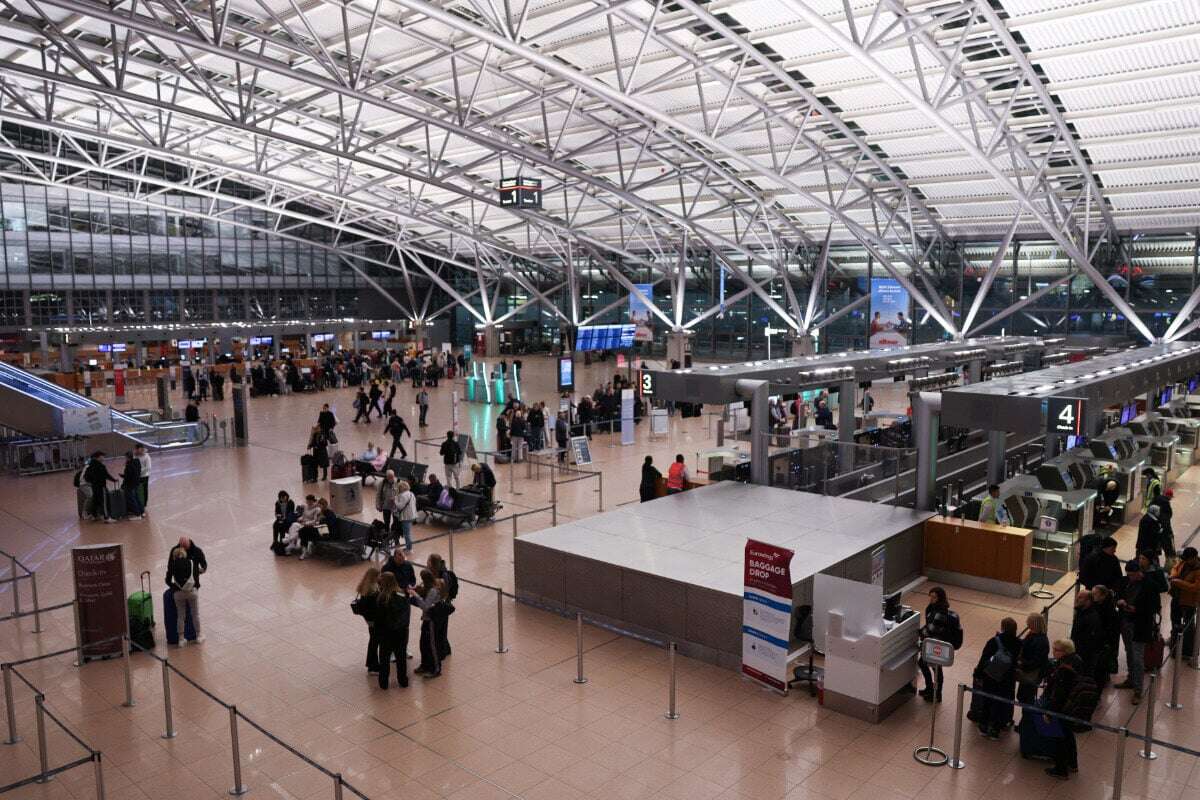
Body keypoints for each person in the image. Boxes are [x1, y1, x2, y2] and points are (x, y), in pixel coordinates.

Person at [1116, 557, 1161, 703]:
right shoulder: (1126, 581)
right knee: (1129, 652)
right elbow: (1118, 594)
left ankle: (1138, 690)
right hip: (1125, 622)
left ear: (1139, 572)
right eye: (1128, 575)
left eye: (1132, 575)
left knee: (1137, 658)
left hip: (1140, 626)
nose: (1130, 577)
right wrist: (1120, 601)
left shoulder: (1150, 586)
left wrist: (1133, 608)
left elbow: (1154, 607)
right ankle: (1131, 679)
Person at [972, 617, 1020, 738]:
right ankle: (996, 729)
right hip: (1007, 678)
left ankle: (984, 726)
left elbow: (984, 659)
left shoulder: (994, 641)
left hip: (991, 677)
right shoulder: (1018, 643)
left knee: (987, 701)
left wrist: (978, 674)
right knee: (1001, 702)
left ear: (1003, 627)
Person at [1041, 640, 1082, 779]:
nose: (1053, 651)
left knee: (1059, 737)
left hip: (1063, 709)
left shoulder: (1064, 669)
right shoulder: (1077, 660)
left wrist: (1049, 712)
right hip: (1073, 706)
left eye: (1056, 649)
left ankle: (1060, 769)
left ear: (1065, 652)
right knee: (1069, 735)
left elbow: (1059, 695)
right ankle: (1072, 763)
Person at [918, 586, 960, 702]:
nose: (931, 599)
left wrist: (920, 633)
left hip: (936, 643)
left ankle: (936, 693)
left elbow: (933, 628)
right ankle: (931, 689)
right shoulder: (933, 607)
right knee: (926, 664)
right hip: (931, 641)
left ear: (940, 598)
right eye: (930, 597)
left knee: (935, 667)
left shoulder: (941, 611)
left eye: (934, 597)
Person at [374, 573, 410, 689]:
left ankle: (384, 682)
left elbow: (379, 618)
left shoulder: (382, 598)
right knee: (401, 657)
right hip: (401, 631)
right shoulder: (402, 593)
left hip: (386, 633)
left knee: (384, 658)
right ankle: (403, 680)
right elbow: (406, 611)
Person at [165, 546, 204, 645]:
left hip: (179, 593)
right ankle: (199, 636)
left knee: (181, 616)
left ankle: (181, 639)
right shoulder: (190, 562)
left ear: (175, 556)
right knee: (195, 614)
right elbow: (196, 576)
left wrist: (174, 587)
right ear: (184, 554)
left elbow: (168, 580)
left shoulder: (172, 565)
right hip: (191, 592)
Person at [1169, 547, 1200, 666]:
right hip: (1177, 597)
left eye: (1188, 560)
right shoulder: (1184, 562)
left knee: (1188, 626)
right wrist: (1174, 575)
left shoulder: (1198, 570)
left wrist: (1178, 582)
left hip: (1189, 601)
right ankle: (1175, 644)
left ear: (1194, 557)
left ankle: (1188, 651)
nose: (1186, 562)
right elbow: (1175, 568)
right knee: (1175, 621)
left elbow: (1195, 587)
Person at [411, 569, 443, 678]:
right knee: (423, 643)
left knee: (432, 645)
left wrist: (415, 595)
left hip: (432, 621)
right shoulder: (428, 588)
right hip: (426, 620)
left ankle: (436, 668)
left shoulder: (433, 591)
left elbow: (425, 606)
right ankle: (425, 665)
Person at [426, 553, 457, 660]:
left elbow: (444, 590)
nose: (427, 562)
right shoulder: (435, 572)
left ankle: (442, 652)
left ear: (432, 563)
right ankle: (445, 649)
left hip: (442, 605)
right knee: (442, 629)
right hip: (441, 604)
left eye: (429, 560)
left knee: (441, 629)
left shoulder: (443, 575)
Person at [1069, 590, 1103, 683]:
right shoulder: (1081, 612)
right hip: (1078, 651)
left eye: (1080, 597)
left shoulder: (1092, 617)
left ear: (1088, 601)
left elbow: (1089, 640)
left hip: (1085, 655)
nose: (1077, 599)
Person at [1017, 613, 1050, 706]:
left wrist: (1022, 664)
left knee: (1026, 698)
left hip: (1031, 672)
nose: (1027, 623)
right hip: (1027, 670)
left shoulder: (1041, 641)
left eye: (1029, 621)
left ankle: (1027, 719)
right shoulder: (1032, 634)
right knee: (1022, 696)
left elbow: (1037, 661)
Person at [354, 567, 381, 673]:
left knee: (373, 641)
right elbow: (373, 606)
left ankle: (372, 664)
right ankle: (372, 665)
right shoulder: (372, 590)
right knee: (374, 642)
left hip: (370, 620)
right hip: (374, 620)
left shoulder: (365, 587)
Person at [82, 451, 118, 522]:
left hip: (94, 486)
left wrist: (93, 481)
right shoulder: (101, 466)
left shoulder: (90, 465)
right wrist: (114, 480)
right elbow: (106, 475)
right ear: (98, 457)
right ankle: (106, 517)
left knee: (96, 500)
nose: (103, 458)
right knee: (104, 501)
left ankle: (94, 515)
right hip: (101, 486)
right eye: (102, 456)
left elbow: (86, 477)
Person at [393, 480, 417, 552]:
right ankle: (409, 547)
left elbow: (399, 506)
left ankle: (409, 548)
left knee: (407, 534)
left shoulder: (403, 495)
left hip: (406, 517)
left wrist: (395, 500)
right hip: (412, 515)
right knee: (408, 532)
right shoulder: (411, 494)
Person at [121, 451, 145, 519]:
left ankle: (137, 514)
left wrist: (123, 478)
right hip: (136, 483)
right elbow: (135, 473)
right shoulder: (137, 462)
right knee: (137, 497)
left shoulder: (129, 465)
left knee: (131, 499)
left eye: (125, 457)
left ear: (127, 457)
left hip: (130, 485)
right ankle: (142, 512)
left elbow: (128, 476)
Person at [135, 444, 151, 511]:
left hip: (144, 476)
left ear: (141, 448)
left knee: (144, 490)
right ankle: (138, 503)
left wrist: (139, 472)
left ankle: (144, 504)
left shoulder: (146, 456)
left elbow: (148, 467)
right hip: (137, 476)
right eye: (135, 449)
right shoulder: (135, 456)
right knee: (137, 490)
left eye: (137, 449)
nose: (136, 450)